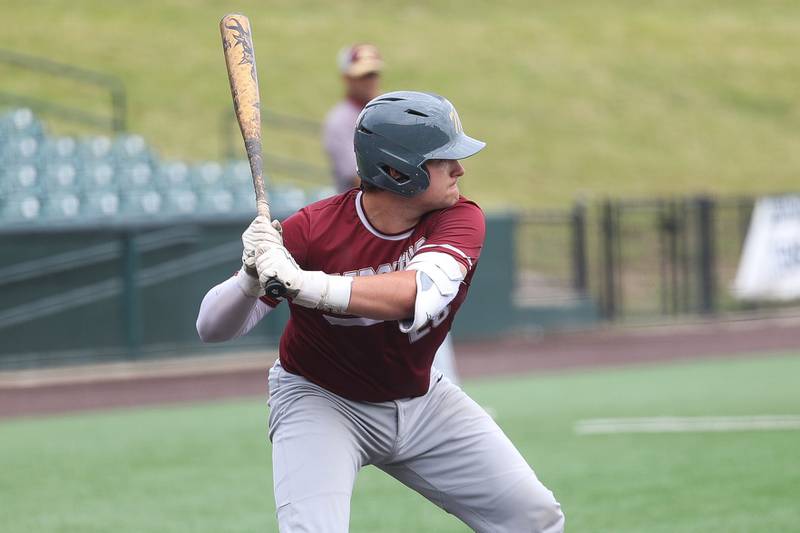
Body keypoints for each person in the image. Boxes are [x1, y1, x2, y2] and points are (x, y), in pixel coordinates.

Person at [196, 91, 564, 532]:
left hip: (422, 401)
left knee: (534, 519)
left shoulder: (460, 218)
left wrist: (304, 284)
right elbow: (211, 328)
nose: (460, 168)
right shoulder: (312, 229)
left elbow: (414, 293)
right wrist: (249, 278)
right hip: (321, 400)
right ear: (397, 171)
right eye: (444, 158)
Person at [323, 43, 462, 385]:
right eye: (362, 74)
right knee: (369, 312)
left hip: (406, 220)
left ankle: (443, 390)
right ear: (346, 78)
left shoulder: (396, 113)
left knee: (428, 302)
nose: (370, 79)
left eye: (373, 72)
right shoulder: (342, 119)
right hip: (363, 220)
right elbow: (364, 175)